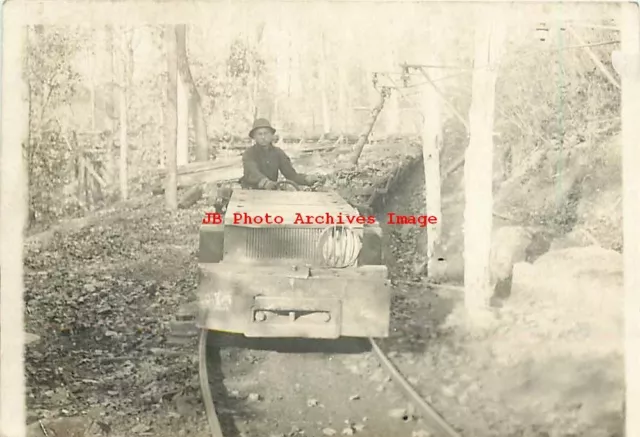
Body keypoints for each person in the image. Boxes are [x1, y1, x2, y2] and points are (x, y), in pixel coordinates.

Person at [240, 118, 323, 190]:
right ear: (254, 137)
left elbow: (291, 175)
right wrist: (265, 182)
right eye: (260, 134)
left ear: (272, 135)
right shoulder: (249, 154)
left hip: (270, 193)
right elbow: (252, 172)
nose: (263, 137)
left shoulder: (278, 153)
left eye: (266, 133)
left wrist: (307, 179)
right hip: (250, 192)